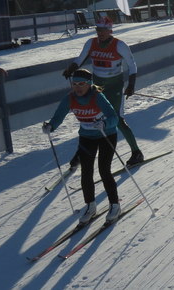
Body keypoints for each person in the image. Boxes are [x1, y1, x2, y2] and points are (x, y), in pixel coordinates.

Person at [62, 17, 144, 167]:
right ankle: (82, 153)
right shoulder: (91, 43)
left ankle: (136, 152)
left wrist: (131, 85)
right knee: (89, 118)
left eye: (103, 30)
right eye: (98, 30)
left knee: (117, 119)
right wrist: (71, 69)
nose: (100, 33)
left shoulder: (119, 45)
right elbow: (80, 59)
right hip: (97, 86)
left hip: (114, 87)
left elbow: (132, 65)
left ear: (110, 30)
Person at [42, 69, 121, 224]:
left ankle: (115, 205)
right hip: (87, 137)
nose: (77, 87)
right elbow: (59, 116)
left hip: (106, 134)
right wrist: (51, 126)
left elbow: (114, 117)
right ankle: (90, 206)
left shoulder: (97, 96)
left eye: (81, 84)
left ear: (89, 84)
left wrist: (105, 123)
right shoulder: (70, 98)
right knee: (86, 172)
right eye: (75, 84)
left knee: (104, 170)